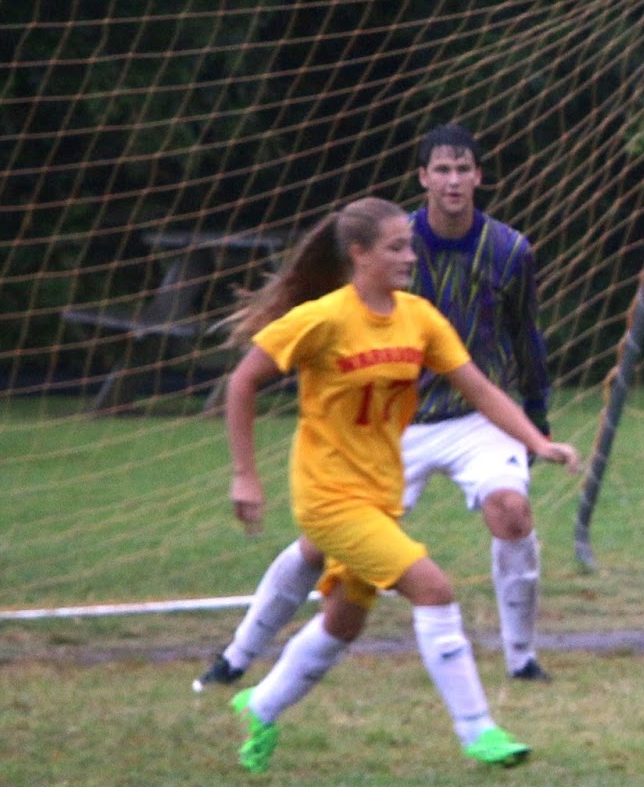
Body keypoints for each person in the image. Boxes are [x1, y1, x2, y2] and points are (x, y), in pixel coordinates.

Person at [220, 195, 582, 771]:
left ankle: (260, 706)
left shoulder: (419, 318)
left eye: (409, 246)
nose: (410, 257)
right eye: (396, 248)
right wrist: (246, 476)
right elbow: (242, 382)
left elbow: (478, 388)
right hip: (328, 497)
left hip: (379, 493)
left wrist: (537, 443)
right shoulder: (322, 319)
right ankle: (479, 731)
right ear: (360, 254)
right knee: (433, 588)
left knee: (344, 620)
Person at [195, 124, 560, 692]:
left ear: (479, 177)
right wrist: (246, 472)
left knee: (511, 509)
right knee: (320, 549)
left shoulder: (509, 250)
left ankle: (522, 659)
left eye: (463, 169)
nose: (453, 180)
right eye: (442, 169)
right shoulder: (391, 240)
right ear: (423, 178)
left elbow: (523, 335)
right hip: (392, 426)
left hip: (472, 418)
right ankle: (238, 655)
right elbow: (325, 328)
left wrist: (536, 419)